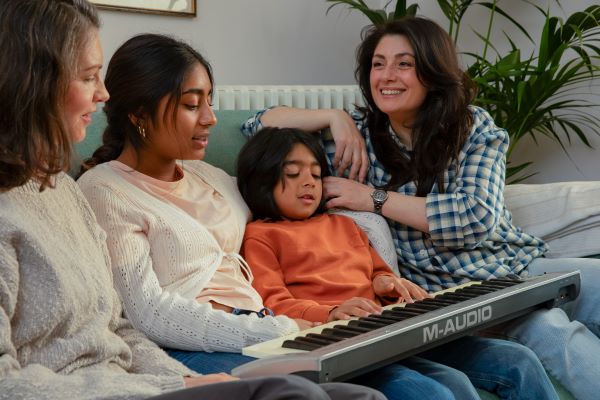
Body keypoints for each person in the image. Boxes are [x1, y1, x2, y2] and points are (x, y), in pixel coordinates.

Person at [0, 2, 385, 400]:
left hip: (184, 355)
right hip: (157, 365)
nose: (103, 94)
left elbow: (117, 327)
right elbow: (143, 314)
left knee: (366, 395)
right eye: (89, 77)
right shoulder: (93, 192)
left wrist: (179, 381)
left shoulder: (60, 188)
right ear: (35, 83)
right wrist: (176, 382)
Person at [241, 16, 600, 400]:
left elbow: (475, 219)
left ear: (432, 72)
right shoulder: (353, 140)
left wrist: (373, 198)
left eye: (404, 64)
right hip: (456, 291)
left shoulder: (474, 127)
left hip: (516, 264)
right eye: (378, 64)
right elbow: (256, 126)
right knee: (551, 331)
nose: (387, 75)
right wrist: (334, 117)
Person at [236, 126, 559, 400]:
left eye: (316, 174)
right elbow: (273, 303)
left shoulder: (345, 224)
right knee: (441, 389)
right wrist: (330, 313)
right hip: (339, 343)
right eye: (293, 173)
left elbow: (377, 271)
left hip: (389, 329)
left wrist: (387, 284)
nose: (308, 181)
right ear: (262, 179)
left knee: (519, 359)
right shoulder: (261, 235)